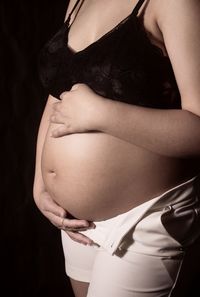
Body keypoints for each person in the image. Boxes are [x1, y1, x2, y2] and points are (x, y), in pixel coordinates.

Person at [33, 0, 200, 296]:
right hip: (78, 224)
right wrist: (41, 183)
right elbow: (58, 93)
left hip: (142, 219)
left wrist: (103, 114)